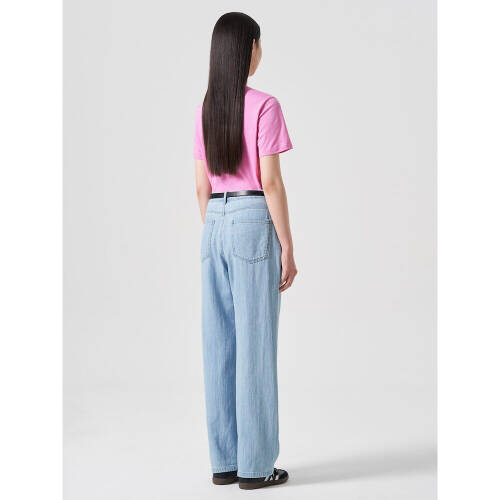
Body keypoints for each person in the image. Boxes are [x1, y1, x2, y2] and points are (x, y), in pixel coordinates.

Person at [194, 12, 297, 490]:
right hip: (253, 217)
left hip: (214, 222)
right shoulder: (264, 106)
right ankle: (256, 467)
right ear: (249, 49)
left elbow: (201, 187)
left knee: (219, 343)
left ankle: (225, 461)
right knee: (255, 343)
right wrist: (287, 245)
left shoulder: (207, 109)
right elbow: (271, 182)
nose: (261, 52)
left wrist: (219, 229)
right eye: (259, 44)